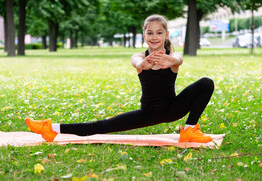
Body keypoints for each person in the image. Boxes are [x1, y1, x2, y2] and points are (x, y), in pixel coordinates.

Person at [25, 14, 214, 143]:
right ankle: (50, 128)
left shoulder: (171, 57)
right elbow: (136, 61)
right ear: (144, 35)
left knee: (206, 83)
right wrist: (143, 64)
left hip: (173, 109)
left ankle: (189, 130)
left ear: (166, 35)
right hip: (148, 112)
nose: (154, 37)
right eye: (150, 32)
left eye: (159, 32)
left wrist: (170, 59)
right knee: (101, 126)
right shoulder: (140, 56)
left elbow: (179, 59)